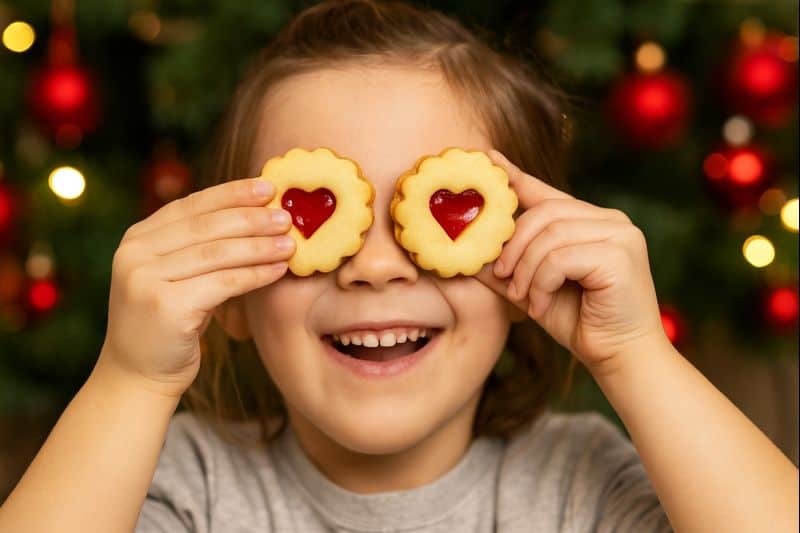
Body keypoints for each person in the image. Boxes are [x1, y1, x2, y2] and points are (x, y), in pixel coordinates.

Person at [1, 1, 797, 532]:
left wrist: (637, 355)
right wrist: (130, 379)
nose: (376, 267)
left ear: (520, 257)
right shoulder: (183, 482)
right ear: (230, 294)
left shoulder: (580, 482)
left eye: (421, 222)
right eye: (309, 220)